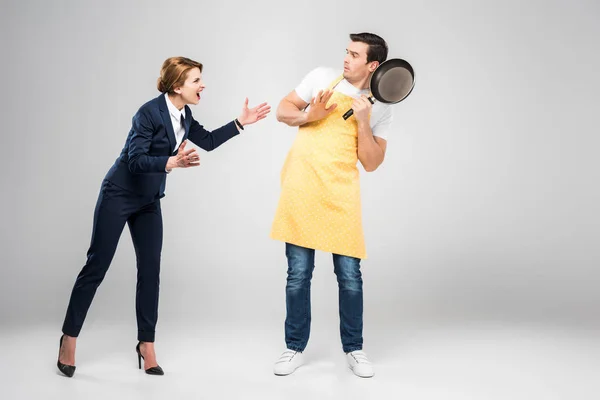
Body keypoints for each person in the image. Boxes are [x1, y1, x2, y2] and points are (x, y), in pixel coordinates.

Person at [57, 56, 270, 377]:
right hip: (119, 193)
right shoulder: (148, 113)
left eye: (201, 79)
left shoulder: (185, 113)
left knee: (150, 271)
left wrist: (241, 123)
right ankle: (68, 339)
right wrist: (170, 162)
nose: (203, 85)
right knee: (96, 266)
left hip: (148, 200)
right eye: (196, 80)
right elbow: (135, 159)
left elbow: (208, 141)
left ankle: (146, 345)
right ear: (177, 86)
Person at [270, 33, 392, 378]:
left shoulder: (382, 105)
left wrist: (364, 122)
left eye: (355, 55)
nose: (346, 59)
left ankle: (354, 349)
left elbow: (371, 163)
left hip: (340, 193)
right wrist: (311, 113)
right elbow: (282, 111)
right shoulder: (321, 77)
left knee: (350, 277)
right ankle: (293, 347)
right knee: (298, 275)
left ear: (373, 65)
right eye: (347, 52)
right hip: (302, 186)